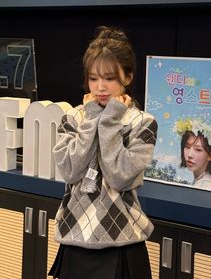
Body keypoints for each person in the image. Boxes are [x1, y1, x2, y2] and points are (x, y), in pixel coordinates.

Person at [49, 26, 158, 279]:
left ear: (127, 77)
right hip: (75, 236)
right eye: (93, 78)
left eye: (109, 78)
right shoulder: (74, 116)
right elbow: (70, 171)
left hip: (123, 239)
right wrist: (91, 121)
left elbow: (120, 176)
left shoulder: (143, 122)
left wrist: (109, 121)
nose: (100, 87)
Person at [174, 118, 211, 191]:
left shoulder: (205, 186)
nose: (190, 155)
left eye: (198, 149)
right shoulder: (201, 180)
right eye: (187, 147)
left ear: (210, 156)